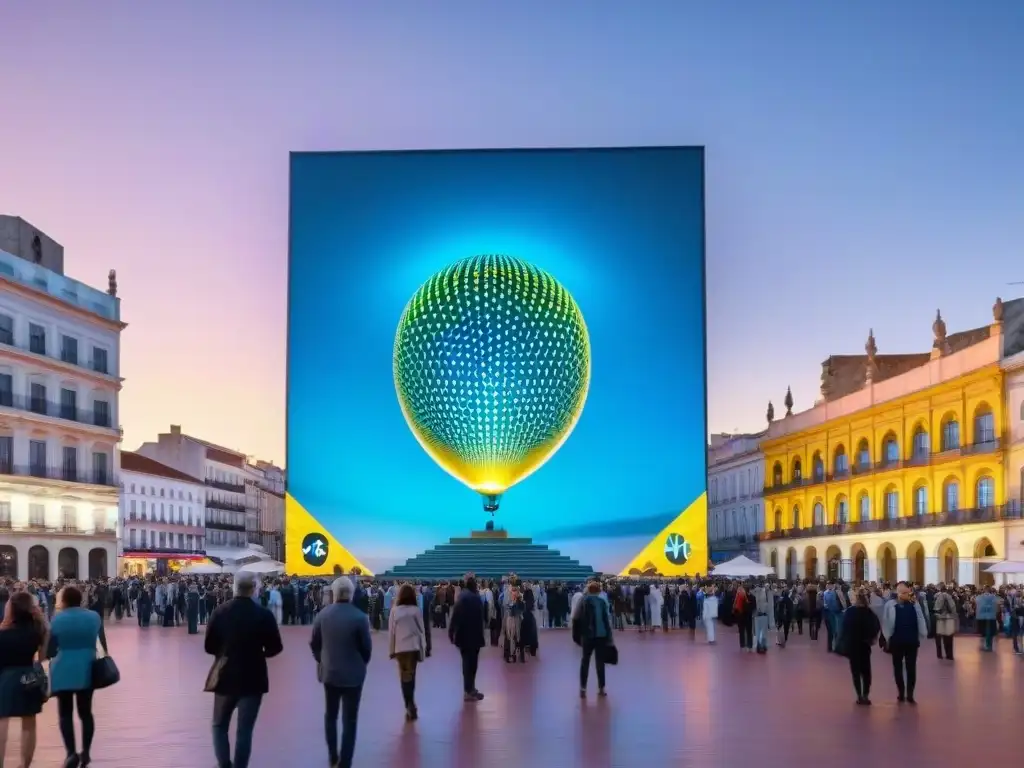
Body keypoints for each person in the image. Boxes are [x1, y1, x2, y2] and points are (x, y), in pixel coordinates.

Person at [204, 571, 283, 768]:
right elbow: (276, 647)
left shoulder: (220, 612)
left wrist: (223, 652)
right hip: (253, 677)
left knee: (219, 724)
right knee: (245, 730)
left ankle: (224, 763)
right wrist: (260, 654)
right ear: (254, 589)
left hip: (225, 676)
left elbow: (209, 646)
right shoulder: (264, 614)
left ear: (234, 587)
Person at [311, 576, 372, 768]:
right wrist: (360, 663)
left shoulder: (322, 615)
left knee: (330, 715)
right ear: (352, 594)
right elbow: (366, 649)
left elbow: (315, 644)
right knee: (350, 719)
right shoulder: (360, 618)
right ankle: (346, 761)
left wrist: (322, 660)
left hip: (330, 672)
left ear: (333, 593)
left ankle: (332, 756)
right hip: (354, 674)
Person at [49, 585, 106, 768]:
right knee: (86, 713)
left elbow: (51, 649)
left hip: (63, 669)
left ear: (63, 600)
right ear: (80, 599)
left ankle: (71, 753)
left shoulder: (57, 620)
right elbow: (101, 641)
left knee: (65, 713)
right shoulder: (93, 617)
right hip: (87, 667)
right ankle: (86, 752)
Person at [0, 590, 50, 768]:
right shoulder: (38, 631)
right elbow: (43, 657)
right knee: (29, 722)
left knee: (2, 722)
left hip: (6, 678)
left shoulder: (3, 633)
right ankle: (24, 764)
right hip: (29, 677)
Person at [882, 582, 928, 704]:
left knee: (911, 668)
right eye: (903, 593)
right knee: (897, 667)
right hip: (896, 641)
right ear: (897, 593)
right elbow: (886, 622)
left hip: (912, 641)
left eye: (908, 593)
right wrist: (887, 637)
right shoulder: (890, 605)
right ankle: (901, 692)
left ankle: (910, 694)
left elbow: (921, 618)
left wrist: (923, 632)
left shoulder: (915, 604)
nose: (906, 595)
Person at [387, 583, 426, 721]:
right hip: (413, 647)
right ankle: (411, 702)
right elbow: (422, 631)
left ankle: (408, 704)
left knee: (403, 677)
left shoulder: (394, 611)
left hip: (400, 649)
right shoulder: (416, 610)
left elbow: (391, 633)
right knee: (411, 676)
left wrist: (391, 650)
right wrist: (424, 649)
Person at [572, 581, 614, 697]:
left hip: (587, 636)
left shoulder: (583, 601)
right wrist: (609, 637)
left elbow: (576, 618)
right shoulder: (602, 602)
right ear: (599, 591)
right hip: (601, 636)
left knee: (585, 661)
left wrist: (576, 636)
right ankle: (601, 688)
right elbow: (606, 621)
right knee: (600, 663)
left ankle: (583, 688)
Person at [839, 587, 880, 705]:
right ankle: (866, 695)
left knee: (855, 671)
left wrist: (843, 641)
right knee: (866, 671)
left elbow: (844, 627)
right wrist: (871, 638)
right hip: (865, 645)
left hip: (853, 645)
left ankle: (859, 695)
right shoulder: (869, 612)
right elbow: (876, 627)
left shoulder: (850, 612)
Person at [448, 576, 485, 702]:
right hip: (475, 636)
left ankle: (469, 689)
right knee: (472, 665)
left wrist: (451, 631)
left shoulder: (461, 598)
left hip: (463, 636)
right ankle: (470, 690)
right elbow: (483, 617)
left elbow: (455, 616)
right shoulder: (477, 598)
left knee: (466, 663)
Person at [932, 584, 957, 660]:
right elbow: (952, 607)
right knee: (948, 638)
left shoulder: (936, 596)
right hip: (947, 617)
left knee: (938, 638)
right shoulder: (947, 596)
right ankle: (949, 655)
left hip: (938, 617)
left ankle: (939, 654)